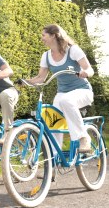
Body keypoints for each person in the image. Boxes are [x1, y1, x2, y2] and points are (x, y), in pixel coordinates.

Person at [26, 24, 95, 154]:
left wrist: (85, 73)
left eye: (43, 35)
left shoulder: (73, 50)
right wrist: (25, 82)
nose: (42, 38)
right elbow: (40, 78)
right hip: (62, 93)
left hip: (82, 91)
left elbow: (89, 69)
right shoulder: (46, 56)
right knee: (52, 118)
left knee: (66, 101)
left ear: (54, 35)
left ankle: (83, 137)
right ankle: (54, 158)